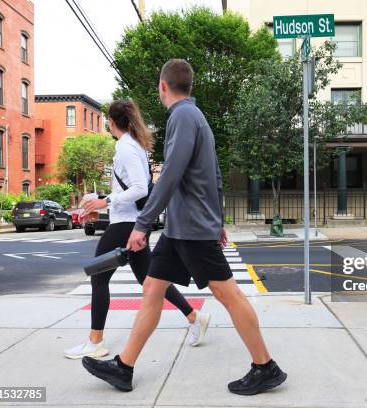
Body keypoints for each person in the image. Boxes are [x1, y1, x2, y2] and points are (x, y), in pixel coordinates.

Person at [82, 59, 287, 395]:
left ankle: (265, 366)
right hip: (181, 228)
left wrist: (142, 224)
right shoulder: (196, 118)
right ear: (188, 86)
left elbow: (171, 175)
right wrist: (218, 219)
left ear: (164, 86)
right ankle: (125, 366)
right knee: (152, 288)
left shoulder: (182, 117)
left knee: (228, 294)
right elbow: (216, 175)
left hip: (191, 226)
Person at [64, 100, 210, 360]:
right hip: (131, 221)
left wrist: (106, 201)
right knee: (150, 281)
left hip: (125, 224)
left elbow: (141, 188)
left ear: (111, 122)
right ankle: (194, 316)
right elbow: (129, 187)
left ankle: (95, 341)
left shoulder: (125, 147)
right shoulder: (135, 146)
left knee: (99, 277)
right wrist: (102, 198)